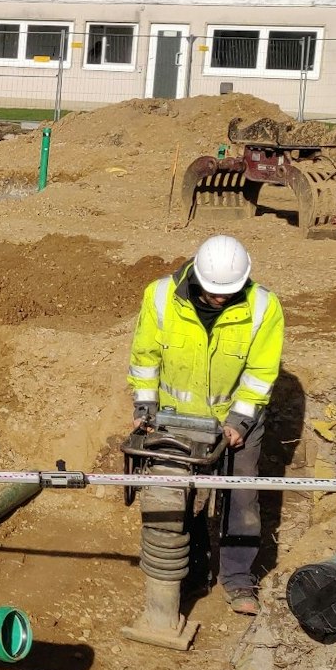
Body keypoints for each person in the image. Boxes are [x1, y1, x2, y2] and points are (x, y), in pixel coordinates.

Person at [127, 234, 284, 616]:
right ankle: (192, 571)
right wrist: (145, 406)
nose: (219, 298)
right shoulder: (161, 296)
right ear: (196, 275)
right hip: (175, 418)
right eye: (214, 292)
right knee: (180, 496)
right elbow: (145, 355)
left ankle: (237, 577)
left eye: (227, 292)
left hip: (234, 419)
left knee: (239, 498)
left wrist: (240, 422)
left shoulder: (263, 307)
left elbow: (261, 373)